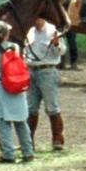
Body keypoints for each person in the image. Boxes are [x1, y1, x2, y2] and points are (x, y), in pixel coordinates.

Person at [0, 26, 34, 161]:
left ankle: (8, 154)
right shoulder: (15, 47)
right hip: (16, 84)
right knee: (21, 121)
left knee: (3, 121)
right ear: (7, 34)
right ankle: (28, 152)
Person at [23, 10, 66, 149]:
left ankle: (57, 138)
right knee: (31, 108)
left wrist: (56, 44)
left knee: (52, 106)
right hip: (31, 70)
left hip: (47, 70)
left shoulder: (53, 31)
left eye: (38, 18)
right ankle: (29, 141)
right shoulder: (29, 31)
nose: (36, 21)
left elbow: (62, 50)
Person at [53, 0, 80, 68]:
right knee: (59, 41)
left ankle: (74, 62)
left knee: (72, 42)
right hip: (60, 21)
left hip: (70, 22)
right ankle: (61, 63)